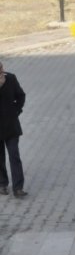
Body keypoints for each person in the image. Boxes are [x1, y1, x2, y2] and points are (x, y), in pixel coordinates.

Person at [0, 61, 27, 198]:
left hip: (11, 126)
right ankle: (2, 184)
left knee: (14, 156)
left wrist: (16, 111)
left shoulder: (11, 78)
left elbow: (21, 96)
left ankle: (18, 188)